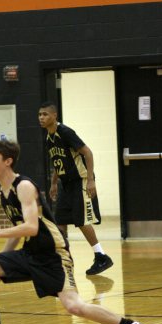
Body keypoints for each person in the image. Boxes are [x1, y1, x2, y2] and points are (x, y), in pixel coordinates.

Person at [0, 140, 153, 324]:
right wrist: (0, 262)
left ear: (8, 161)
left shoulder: (23, 186)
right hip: (30, 253)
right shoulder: (1, 192)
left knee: (74, 306)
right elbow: (18, 229)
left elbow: (31, 227)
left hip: (53, 254)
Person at [39, 101, 113, 276]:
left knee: (81, 221)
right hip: (65, 184)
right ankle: (64, 259)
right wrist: (54, 183)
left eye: (45, 114)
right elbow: (57, 161)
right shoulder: (48, 137)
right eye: (40, 114)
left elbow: (87, 152)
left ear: (54, 116)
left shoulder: (65, 132)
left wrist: (90, 179)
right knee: (61, 221)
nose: (41, 117)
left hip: (80, 181)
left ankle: (101, 256)